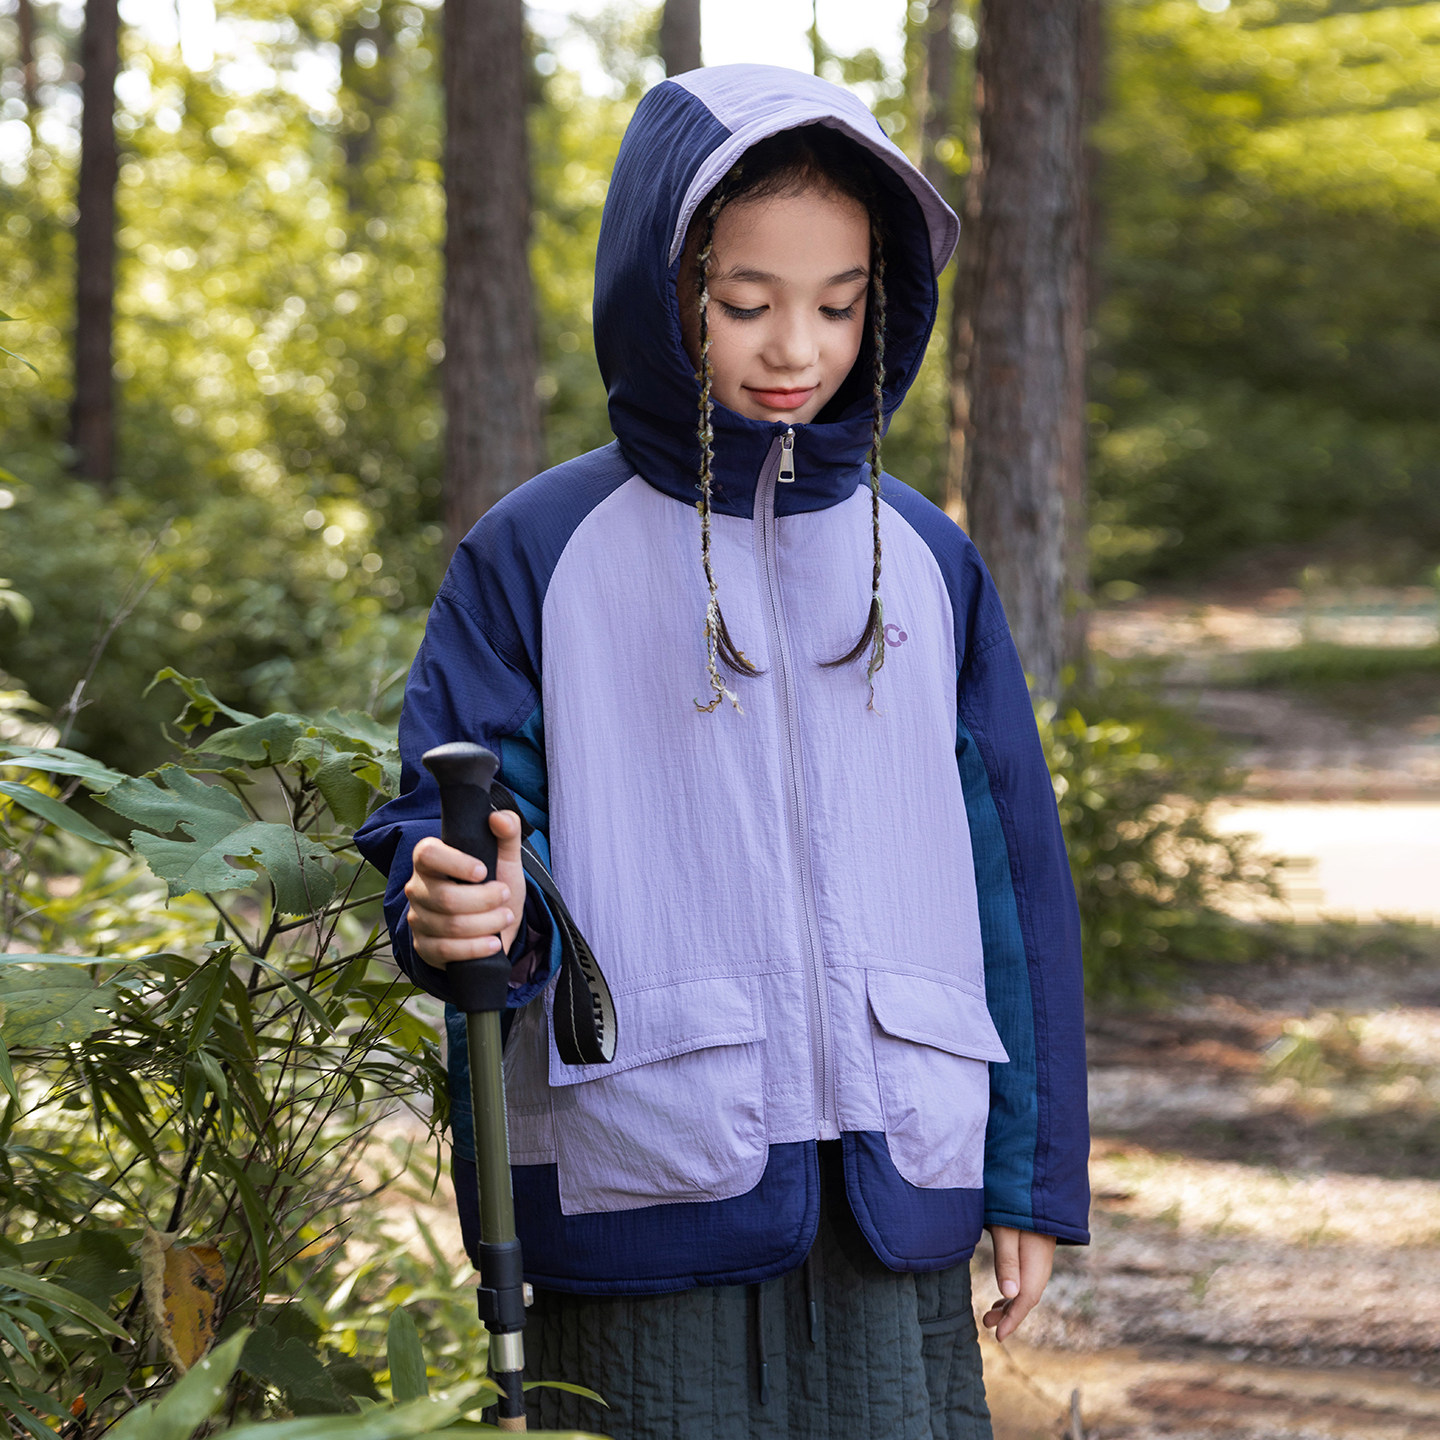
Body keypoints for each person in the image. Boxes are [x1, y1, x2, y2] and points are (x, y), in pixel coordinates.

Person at [355, 63, 1089, 1440]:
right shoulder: (537, 550)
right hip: (638, 1183)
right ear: (661, 285)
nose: (796, 347)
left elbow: (1017, 892)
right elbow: (454, 836)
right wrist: (471, 910)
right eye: (746, 303)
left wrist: (1028, 1181)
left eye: (839, 303)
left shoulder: (929, 561)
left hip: (898, 1180)